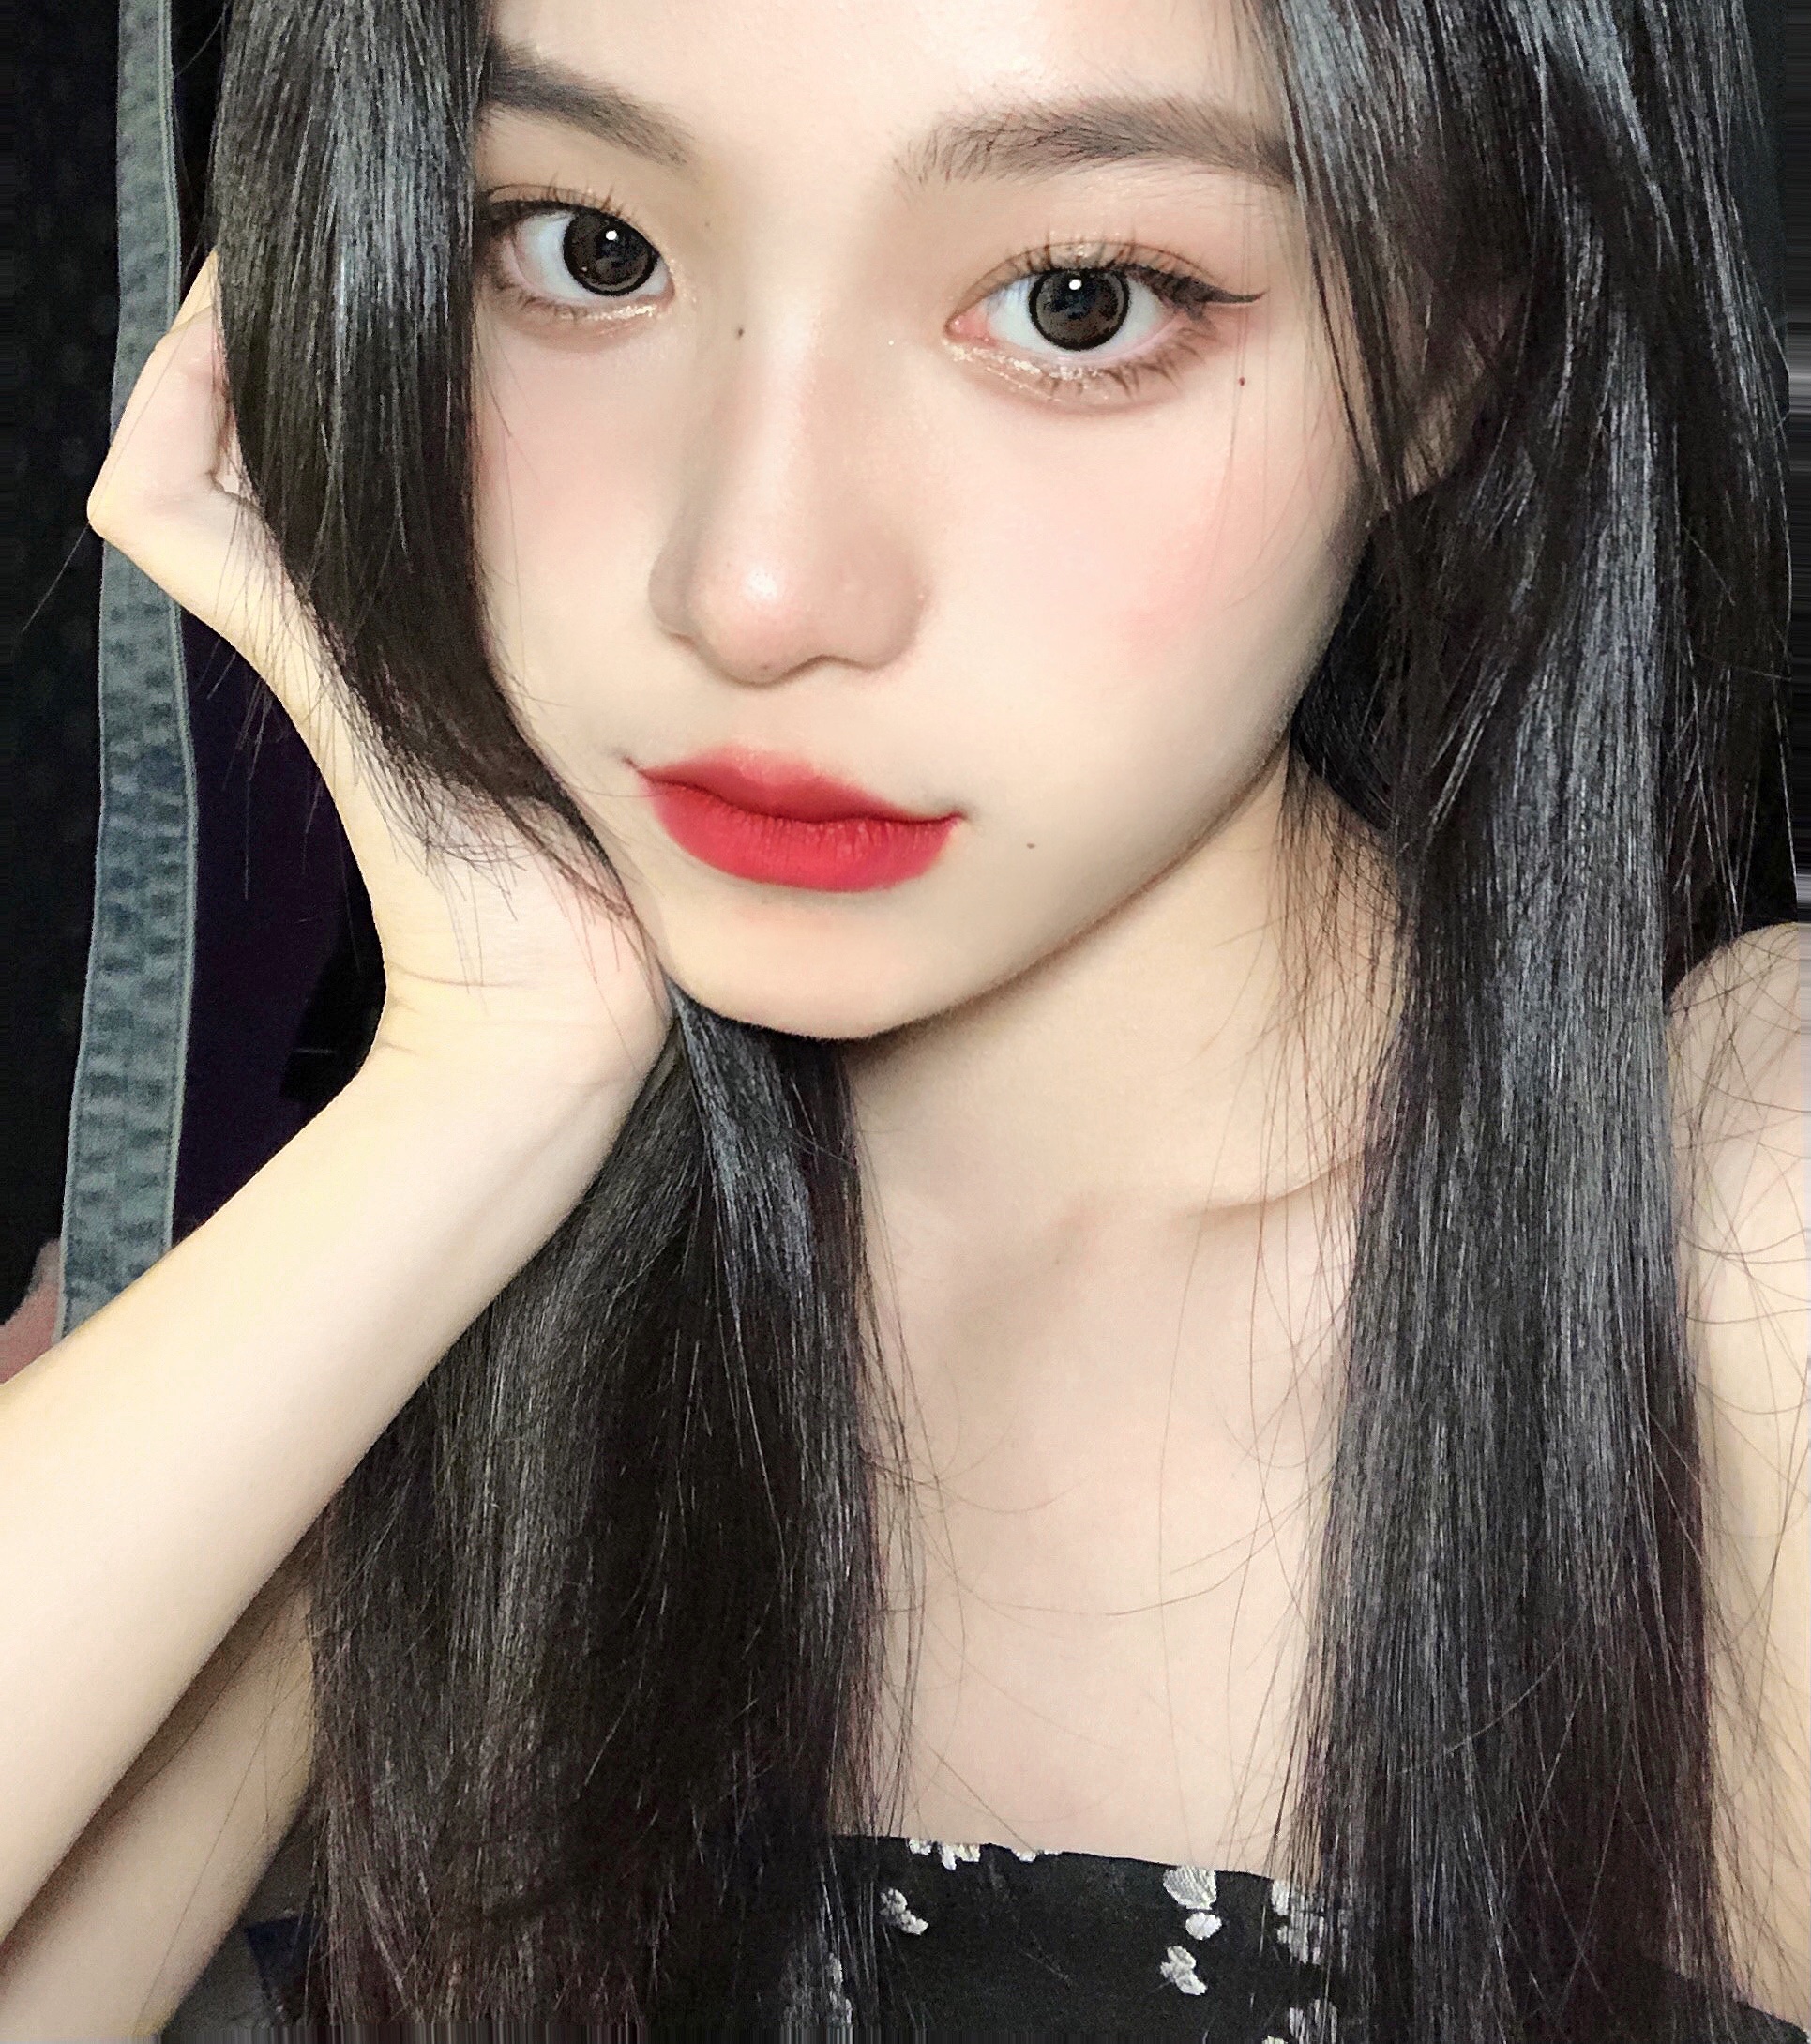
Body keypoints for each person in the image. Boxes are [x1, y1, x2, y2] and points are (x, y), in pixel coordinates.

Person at [1, 0, 1802, 2034]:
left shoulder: (1726, 1244)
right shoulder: (465, 1315)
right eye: (589, 250)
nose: (754, 590)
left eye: (1079, 301)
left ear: (1455, 354)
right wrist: (479, 1082)